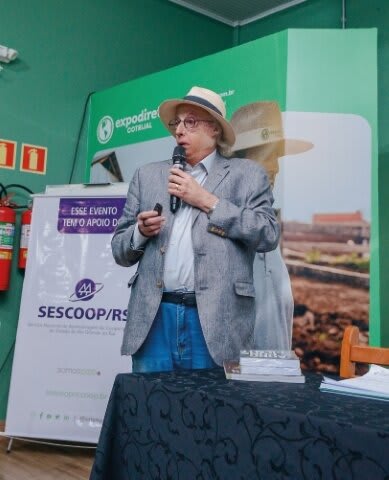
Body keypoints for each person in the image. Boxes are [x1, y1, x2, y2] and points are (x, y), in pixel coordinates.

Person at [111, 86, 280, 372]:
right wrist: (140, 232)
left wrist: (207, 201)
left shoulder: (248, 175)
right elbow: (119, 250)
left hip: (216, 320)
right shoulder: (148, 175)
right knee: (150, 411)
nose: (179, 131)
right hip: (154, 318)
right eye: (176, 123)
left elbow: (267, 233)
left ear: (214, 129)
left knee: (209, 414)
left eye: (190, 122)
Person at [230, 101, 313, 350]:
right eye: (264, 155)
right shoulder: (221, 227)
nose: (274, 166)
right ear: (238, 162)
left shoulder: (268, 232)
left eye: (276, 155)